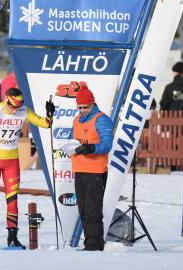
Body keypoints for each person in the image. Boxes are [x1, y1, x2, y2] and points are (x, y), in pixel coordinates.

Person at [0, 87, 55, 250]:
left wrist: (50, 114)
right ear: (7, 100)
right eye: (12, 107)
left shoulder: (24, 110)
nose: (15, 110)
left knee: (12, 199)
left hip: (11, 160)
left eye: (18, 107)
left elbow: (45, 124)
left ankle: (12, 237)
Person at [70, 85, 113, 251]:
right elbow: (74, 140)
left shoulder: (102, 119)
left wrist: (90, 148)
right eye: (79, 107)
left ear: (92, 103)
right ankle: (89, 243)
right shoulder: (76, 119)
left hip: (95, 170)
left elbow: (107, 144)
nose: (82, 110)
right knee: (82, 209)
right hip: (79, 169)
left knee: (92, 209)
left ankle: (94, 245)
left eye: (85, 107)